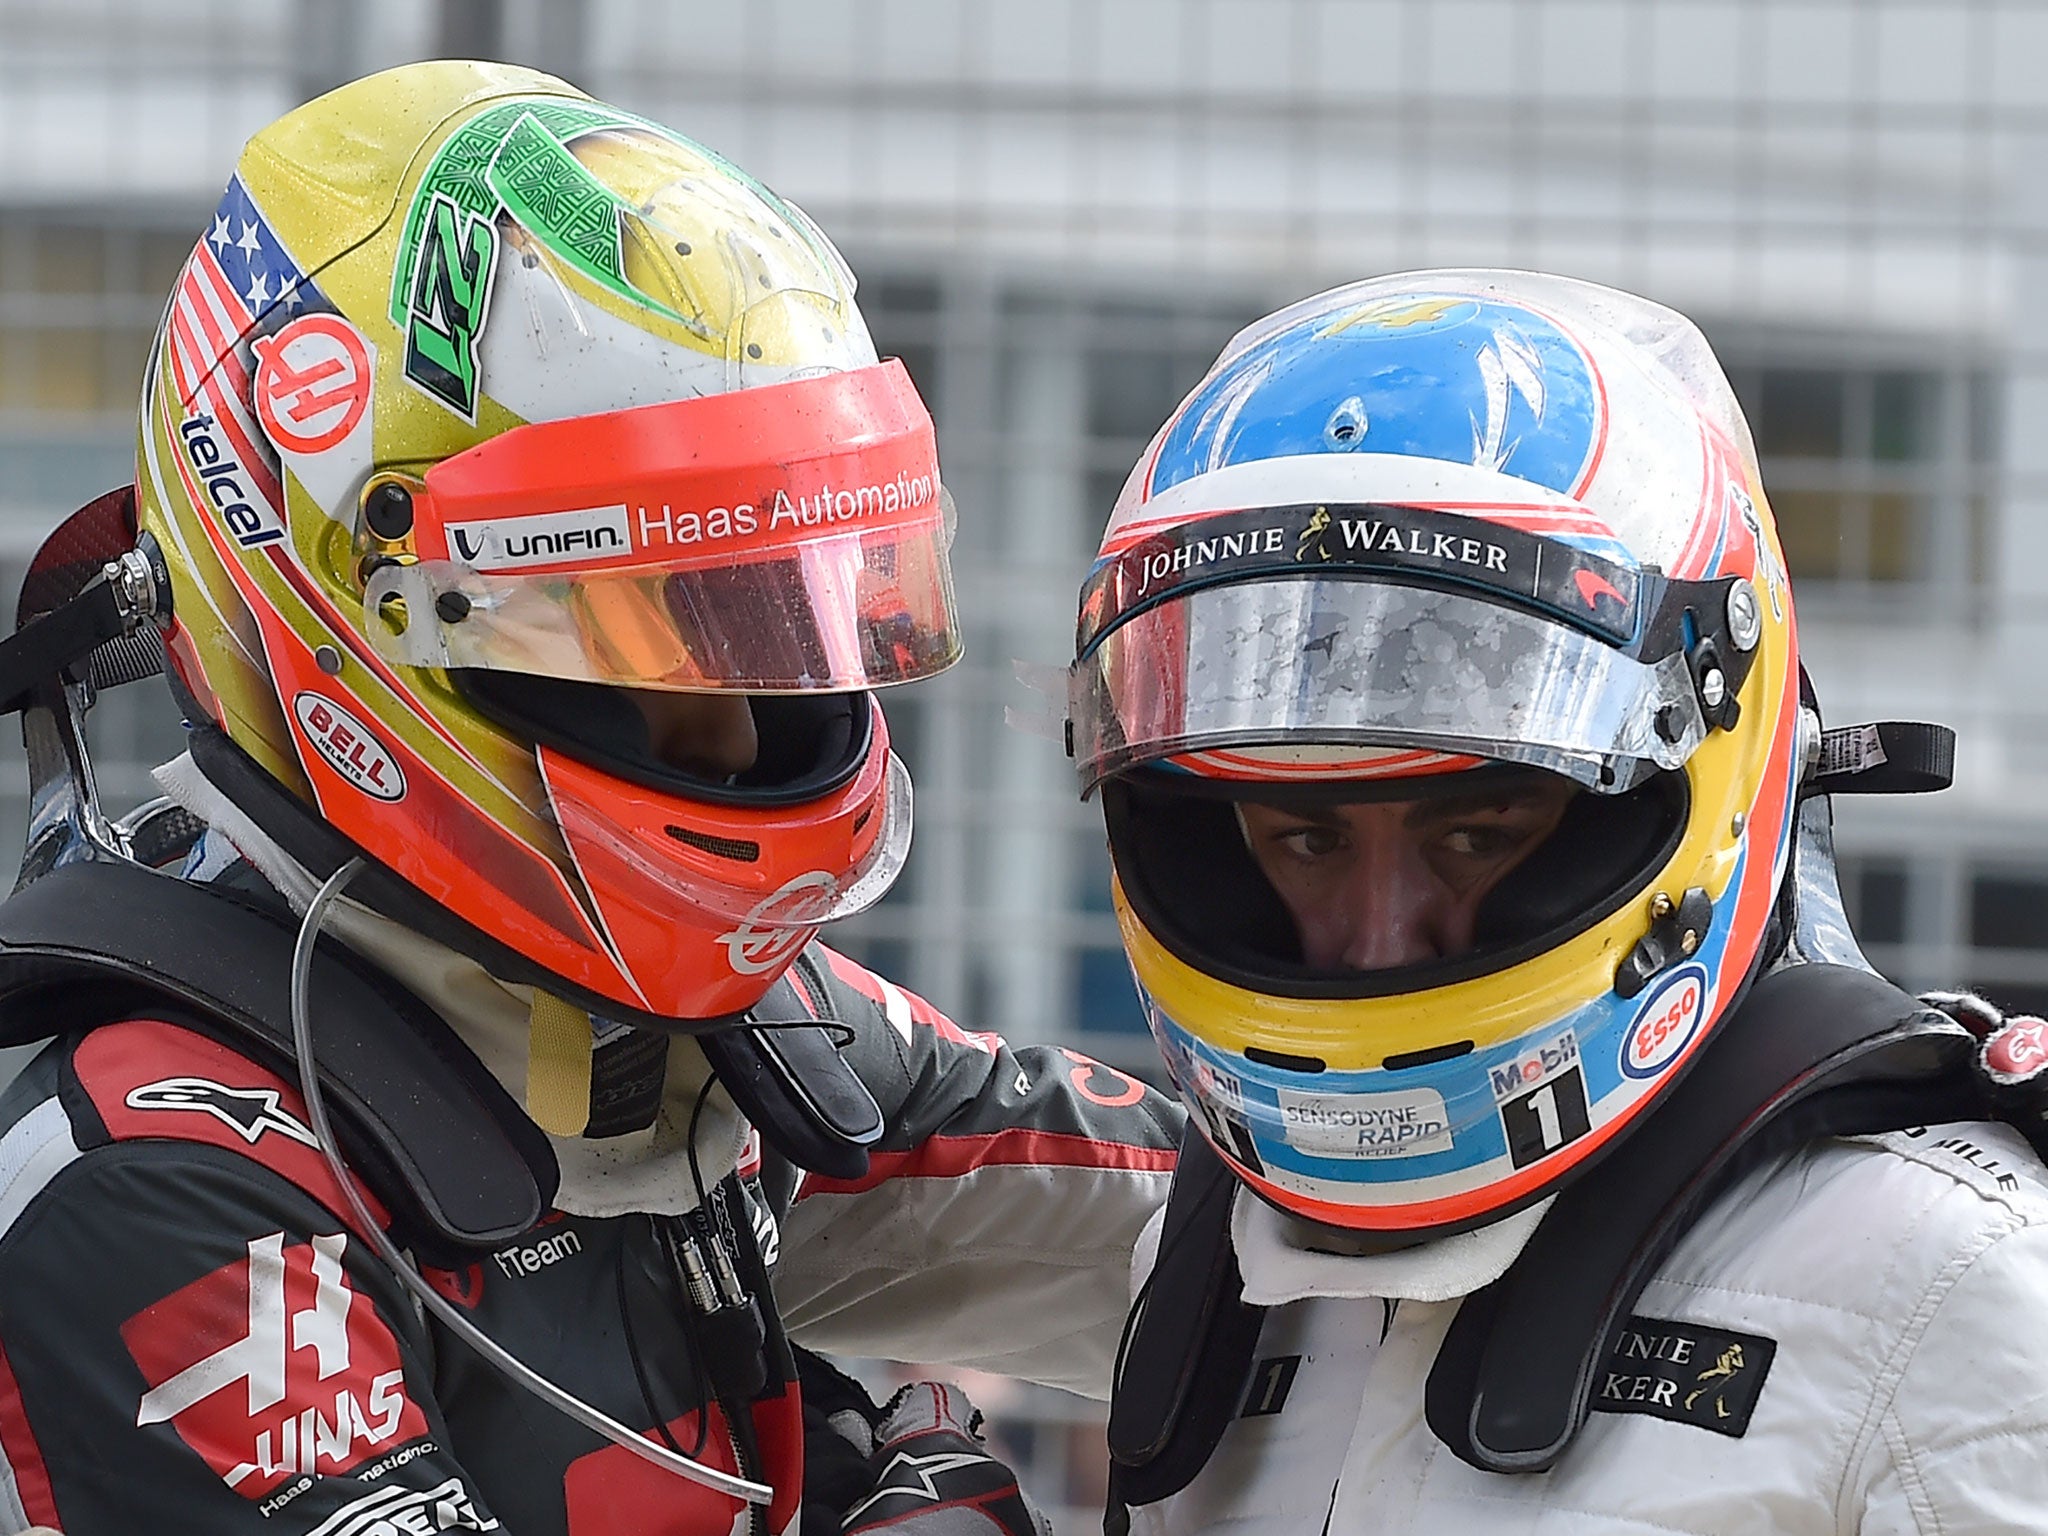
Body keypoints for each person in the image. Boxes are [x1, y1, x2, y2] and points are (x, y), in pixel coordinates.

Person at [0, 61, 1180, 1536]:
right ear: (357, 606)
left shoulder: (666, 1028)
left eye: (773, 628)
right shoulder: (159, 1187)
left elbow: (1180, 1224)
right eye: (644, 632)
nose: (751, 734)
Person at [1069, 271, 2048, 1532]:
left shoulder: (1944, 1278)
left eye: (1476, 830)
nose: (1382, 936)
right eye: (1302, 838)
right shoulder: (1207, 1265)